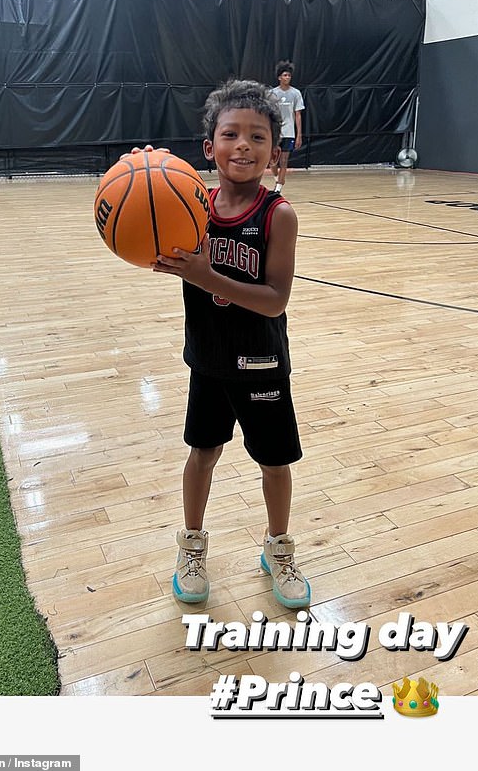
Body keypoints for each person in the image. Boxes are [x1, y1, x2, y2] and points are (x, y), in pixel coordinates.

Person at [151, 79, 311, 610]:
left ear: (274, 149)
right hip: (208, 361)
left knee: (274, 461)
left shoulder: (278, 215)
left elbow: (274, 301)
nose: (243, 145)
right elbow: (145, 232)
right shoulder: (187, 207)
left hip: (262, 362)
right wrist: (146, 176)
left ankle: (278, 547)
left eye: (258, 136)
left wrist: (202, 273)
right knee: (202, 452)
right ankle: (192, 544)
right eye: (231, 134)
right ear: (209, 147)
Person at [270, 60, 305, 193]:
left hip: (289, 132)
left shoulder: (296, 93)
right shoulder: (273, 93)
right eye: (285, 75)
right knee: (272, 160)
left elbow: (298, 115)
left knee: (284, 160)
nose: (287, 78)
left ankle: (278, 188)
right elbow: (269, 114)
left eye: (289, 75)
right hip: (275, 132)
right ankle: (277, 178)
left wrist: (299, 135)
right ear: (279, 77)